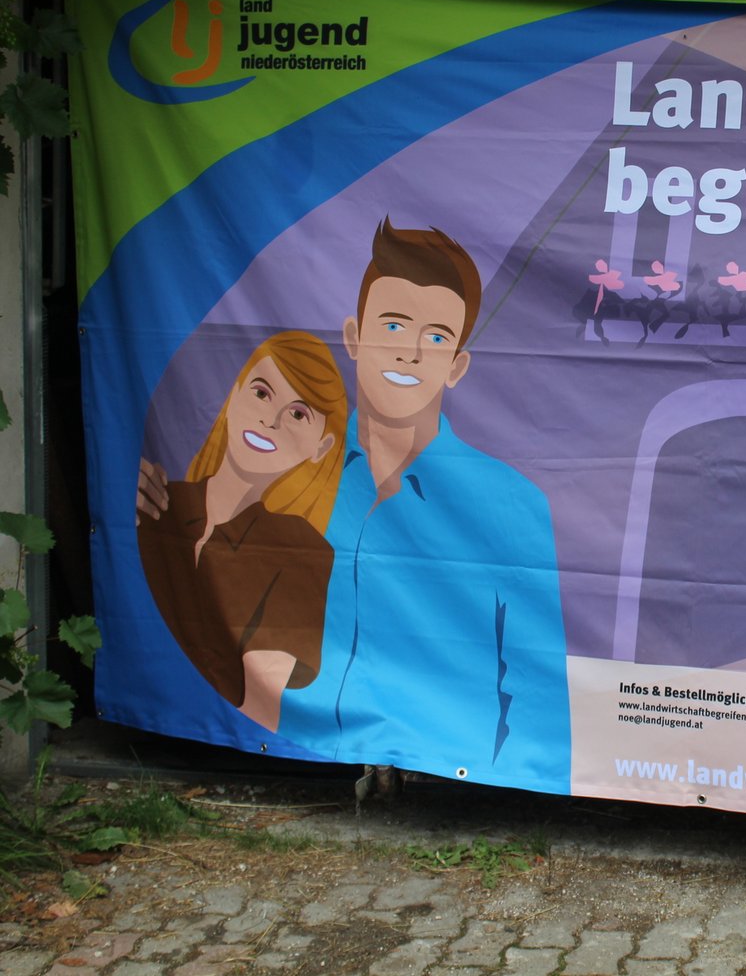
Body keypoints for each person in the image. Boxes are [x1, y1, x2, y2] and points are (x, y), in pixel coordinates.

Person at [140, 218, 571, 792]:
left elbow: (533, 689)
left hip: (452, 783)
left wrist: (502, 793)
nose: (410, 352)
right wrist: (147, 499)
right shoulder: (285, 457)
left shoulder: (512, 505)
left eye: (436, 338)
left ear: (458, 366)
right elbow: (197, 536)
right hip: (284, 761)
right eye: (393, 325)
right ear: (353, 335)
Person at [136, 330, 345, 733]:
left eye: (298, 415)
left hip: (214, 735)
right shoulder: (154, 501)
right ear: (232, 395)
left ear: (320, 447)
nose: (271, 420)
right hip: (142, 718)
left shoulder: (302, 550)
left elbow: (261, 704)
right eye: (262, 393)